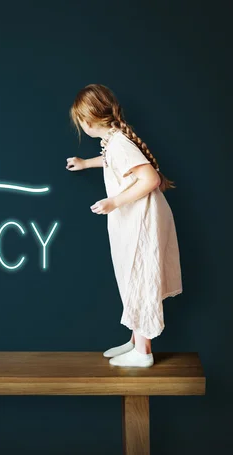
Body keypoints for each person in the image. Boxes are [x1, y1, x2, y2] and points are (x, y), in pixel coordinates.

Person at [67, 84, 182, 367]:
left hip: (142, 219)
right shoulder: (114, 141)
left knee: (140, 276)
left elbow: (150, 179)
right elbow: (112, 161)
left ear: (89, 119)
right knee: (132, 276)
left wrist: (113, 202)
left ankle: (143, 351)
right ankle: (135, 340)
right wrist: (85, 164)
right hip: (136, 219)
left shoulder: (118, 142)